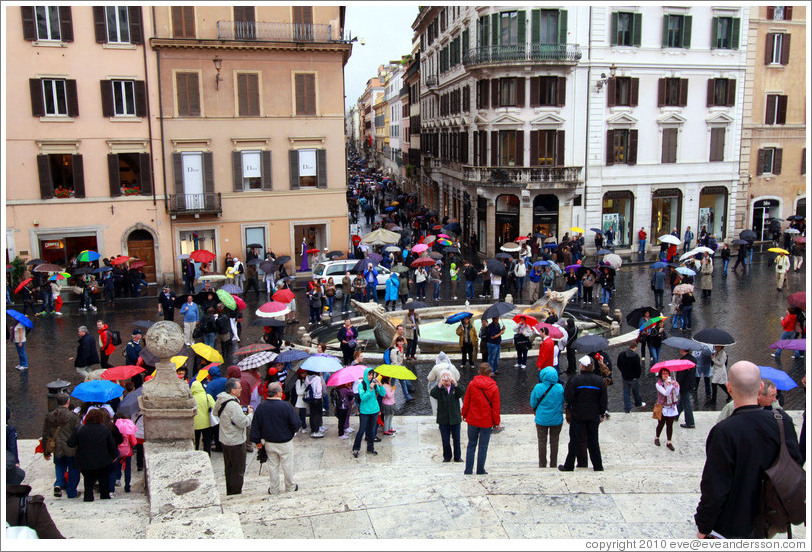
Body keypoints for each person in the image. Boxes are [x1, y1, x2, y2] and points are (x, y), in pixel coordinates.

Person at [695, 361, 802, 539]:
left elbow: (714, 488)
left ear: (729, 387)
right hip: (772, 517)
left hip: (734, 525)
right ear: (761, 387)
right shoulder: (782, 421)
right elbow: (795, 464)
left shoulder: (723, 431)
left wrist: (703, 526)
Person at [250, 382, 301, 494]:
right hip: (285, 442)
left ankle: (274, 489)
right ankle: (290, 487)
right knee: (287, 465)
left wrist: (258, 442)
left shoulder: (261, 407)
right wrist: (293, 432)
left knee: (272, 466)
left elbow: (256, 426)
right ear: (278, 393)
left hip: (269, 442)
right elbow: (296, 424)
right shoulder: (286, 406)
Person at [558, 356, 607, 472]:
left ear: (582, 366)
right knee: (593, 441)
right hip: (593, 415)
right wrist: (602, 412)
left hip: (578, 415)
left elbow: (568, 397)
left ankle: (569, 466)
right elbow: (603, 399)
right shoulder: (599, 381)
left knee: (574, 441)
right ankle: (598, 466)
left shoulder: (575, 380)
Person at [66, 408, 117, 502]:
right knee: (103, 479)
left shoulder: (80, 430)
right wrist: (114, 456)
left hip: (86, 460)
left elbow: (70, 443)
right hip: (103, 460)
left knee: (88, 480)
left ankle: (88, 497)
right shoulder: (105, 430)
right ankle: (104, 496)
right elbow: (111, 445)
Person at [214, 378, 254, 495]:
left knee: (229, 467)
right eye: (239, 388)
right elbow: (243, 423)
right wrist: (250, 415)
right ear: (232, 390)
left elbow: (215, 413)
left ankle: (229, 490)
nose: (241, 390)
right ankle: (235, 493)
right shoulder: (233, 405)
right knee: (238, 469)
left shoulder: (221, 399)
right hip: (236, 440)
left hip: (225, 438)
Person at [461, 363, 501, 475]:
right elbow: (496, 408)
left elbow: (467, 401)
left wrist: (464, 414)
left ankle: (468, 470)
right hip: (486, 422)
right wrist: (496, 422)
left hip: (472, 420)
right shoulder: (494, 387)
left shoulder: (472, 384)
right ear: (490, 373)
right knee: (483, 446)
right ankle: (480, 470)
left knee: (471, 444)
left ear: (479, 372)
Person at [41, 393, 82, 499]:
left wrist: (46, 451)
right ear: (68, 402)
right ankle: (71, 492)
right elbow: (78, 432)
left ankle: (59, 484)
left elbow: (45, 435)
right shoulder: (73, 417)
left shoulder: (49, 416)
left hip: (57, 447)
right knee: (73, 469)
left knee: (59, 466)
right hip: (71, 448)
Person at [530, 365, 565, 468]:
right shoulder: (559, 388)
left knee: (542, 442)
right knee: (554, 441)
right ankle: (553, 463)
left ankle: (542, 464)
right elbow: (562, 401)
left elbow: (533, 403)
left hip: (541, 419)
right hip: (556, 419)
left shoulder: (538, 387)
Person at [430, 370, 465, 462]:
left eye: (448, 377)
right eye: (444, 377)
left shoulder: (455, 388)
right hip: (443, 419)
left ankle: (457, 457)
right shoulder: (439, 389)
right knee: (445, 440)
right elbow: (432, 394)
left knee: (456, 439)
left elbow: (461, 392)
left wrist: (455, 383)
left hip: (455, 418)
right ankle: (447, 456)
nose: (447, 379)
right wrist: (440, 384)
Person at [352, 367, 386, 457]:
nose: (370, 377)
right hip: (364, 411)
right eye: (369, 374)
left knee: (372, 430)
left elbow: (383, 394)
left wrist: (380, 385)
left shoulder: (374, 384)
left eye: (372, 375)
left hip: (374, 410)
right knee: (361, 430)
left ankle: (370, 448)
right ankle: (356, 448)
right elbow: (363, 397)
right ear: (365, 375)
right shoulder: (361, 385)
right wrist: (370, 390)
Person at [717, 378, 782, 422]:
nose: (775, 399)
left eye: (775, 395)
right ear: (759, 394)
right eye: (772, 396)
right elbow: (720, 428)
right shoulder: (733, 407)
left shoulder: (774, 405)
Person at [654, 368, 680, 450]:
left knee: (670, 425)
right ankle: (657, 437)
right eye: (663, 373)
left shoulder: (672, 382)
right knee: (661, 424)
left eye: (667, 373)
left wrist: (676, 386)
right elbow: (666, 393)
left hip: (671, 406)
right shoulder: (658, 384)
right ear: (661, 375)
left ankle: (669, 442)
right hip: (662, 406)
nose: (665, 375)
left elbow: (677, 393)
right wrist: (669, 386)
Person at [617, 341, 645, 413]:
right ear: (635, 347)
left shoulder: (621, 354)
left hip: (625, 377)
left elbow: (618, 364)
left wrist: (623, 372)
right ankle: (638, 403)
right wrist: (637, 376)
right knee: (636, 391)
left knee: (626, 393)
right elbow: (638, 368)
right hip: (634, 378)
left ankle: (627, 409)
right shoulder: (636, 356)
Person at [190, 381, 215, 455]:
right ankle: (207, 455)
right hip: (206, 423)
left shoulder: (191, 399)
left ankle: (196, 455)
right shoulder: (207, 396)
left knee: (196, 442)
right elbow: (214, 407)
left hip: (194, 424)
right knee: (207, 441)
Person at [675, 348, 696, 429]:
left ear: (682, 350)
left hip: (684, 385)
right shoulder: (693, 359)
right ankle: (675, 416)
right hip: (691, 383)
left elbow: (681, 375)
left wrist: (677, 382)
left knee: (686, 402)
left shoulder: (683, 361)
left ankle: (690, 422)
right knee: (682, 400)